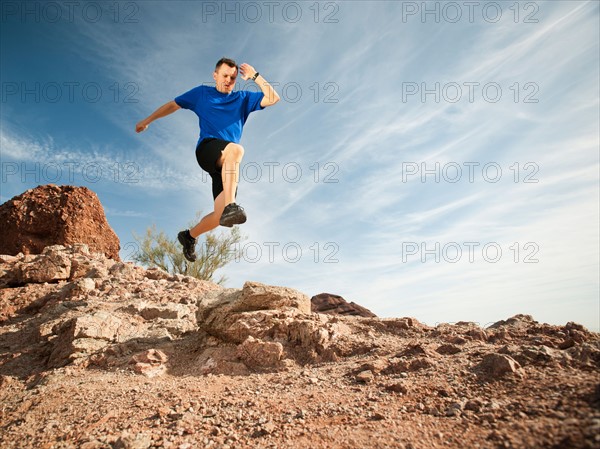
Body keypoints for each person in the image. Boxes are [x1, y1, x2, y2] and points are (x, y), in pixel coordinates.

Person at [135, 58, 280, 262]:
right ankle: (232, 205)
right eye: (224, 76)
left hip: (225, 166)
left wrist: (255, 76)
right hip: (207, 149)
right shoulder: (202, 94)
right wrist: (147, 120)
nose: (228, 80)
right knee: (236, 150)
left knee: (219, 216)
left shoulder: (243, 98)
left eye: (233, 77)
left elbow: (273, 98)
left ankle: (189, 236)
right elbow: (172, 105)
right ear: (215, 75)